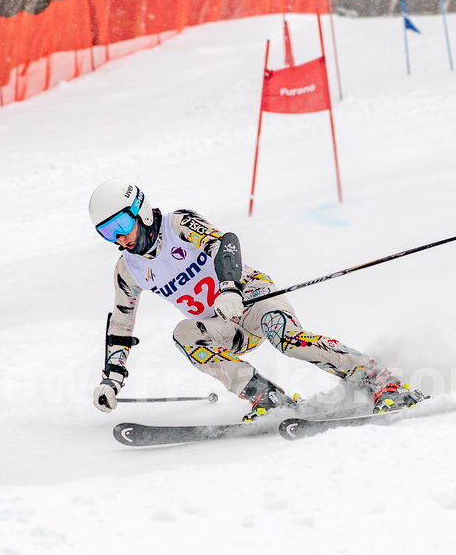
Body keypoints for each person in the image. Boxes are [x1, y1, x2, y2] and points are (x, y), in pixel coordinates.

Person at [88, 179, 426, 421]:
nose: (119, 238)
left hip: (251, 297)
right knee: (184, 333)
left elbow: (225, 243)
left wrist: (229, 287)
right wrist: (112, 378)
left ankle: (381, 380)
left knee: (287, 340)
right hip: (222, 326)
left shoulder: (177, 223)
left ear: (141, 211)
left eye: (120, 225)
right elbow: (121, 322)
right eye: (107, 233)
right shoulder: (128, 269)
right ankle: (267, 397)